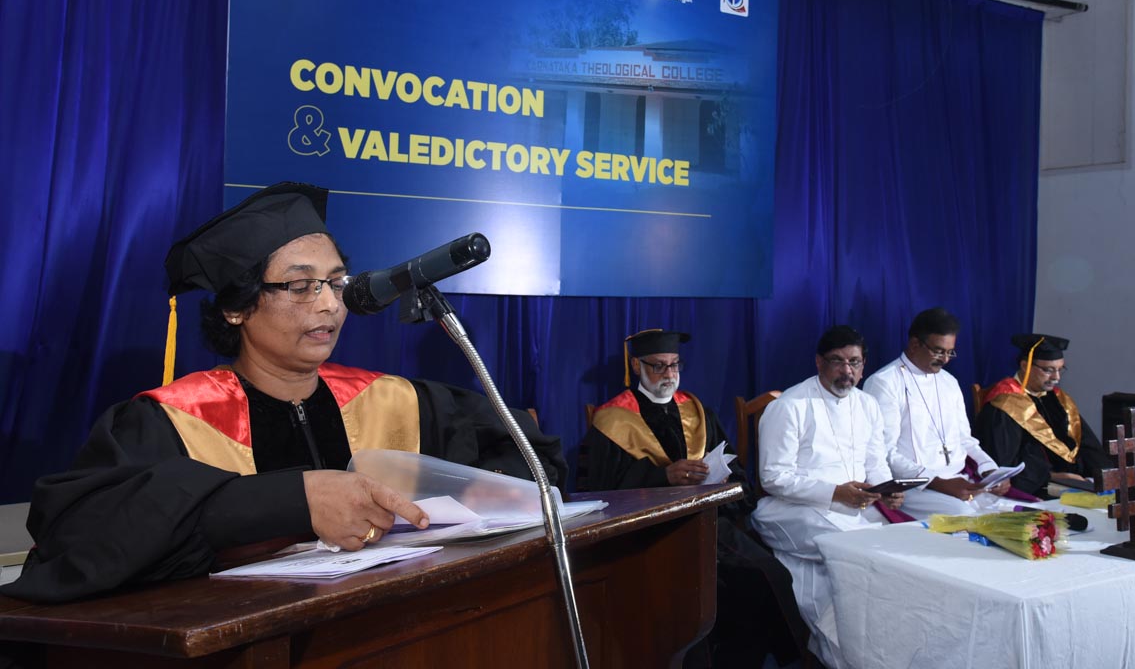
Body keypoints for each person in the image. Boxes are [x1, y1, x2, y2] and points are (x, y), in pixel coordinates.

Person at [6, 182, 566, 603]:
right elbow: (78, 540)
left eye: (337, 282)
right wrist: (294, 501)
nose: (329, 304)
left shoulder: (396, 401)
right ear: (236, 308)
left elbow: (534, 460)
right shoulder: (172, 420)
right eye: (300, 286)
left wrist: (467, 500)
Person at [577, 328, 806, 669]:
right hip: (651, 535)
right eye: (658, 366)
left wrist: (724, 480)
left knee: (767, 575)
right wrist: (663, 477)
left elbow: (738, 474)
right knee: (698, 600)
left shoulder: (697, 412)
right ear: (637, 366)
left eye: (674, 364)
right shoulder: (611, 421)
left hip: (709, 524)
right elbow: (598, 490)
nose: (669, 374)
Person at [751, 325, 904, 669]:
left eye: (854, 362)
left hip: (857, 504)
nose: (847, 371)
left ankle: (874, 645)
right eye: (837, 361)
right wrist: (835, 492)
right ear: (819, 362)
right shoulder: (790, 406)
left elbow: (875, 462)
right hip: (795, 508)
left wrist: (886, 489)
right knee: (856, 551)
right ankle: (845, 650)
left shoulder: (867, 404)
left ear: (864, 366)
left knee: (897, 549)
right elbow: (773, 477)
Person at [863, 307, 1010, 518]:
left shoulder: (949, 382)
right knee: (963, 516)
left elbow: (965, 439)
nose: (946, 359)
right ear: (915, 344)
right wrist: (938, 482)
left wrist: (990, 469)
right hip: (914, 487)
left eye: (950, 352)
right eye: (939, 351)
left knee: (1006, 509)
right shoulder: (885, 382)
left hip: (958, 480)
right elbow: (884, 451)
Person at [976, 334, 1110, 499]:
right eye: (1048, 370)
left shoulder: (1059, 400)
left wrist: (1106, 474)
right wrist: (1052, 476)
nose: (1056, 377)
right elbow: (1002, 462)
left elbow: (1087, 445)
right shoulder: (1005, 405)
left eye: (1060, 369)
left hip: (1075, 483)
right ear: (1025, 365)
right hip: (1037, 488)